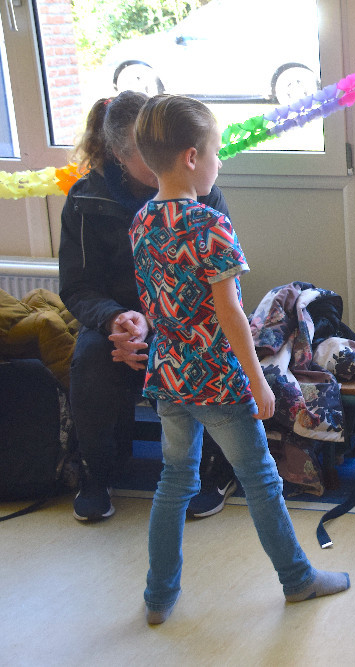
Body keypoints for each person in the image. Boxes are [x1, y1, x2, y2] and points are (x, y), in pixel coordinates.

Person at [130, 94, 349, 624]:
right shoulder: (208, 224)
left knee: (174, 480)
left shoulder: (141, 221)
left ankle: (158, 596)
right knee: (261, 480)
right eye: (215, 153)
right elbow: (229, 314)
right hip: (216, 379)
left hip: (168, 375)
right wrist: (259, 380)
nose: (219, 164)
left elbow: (158, 302)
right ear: (191, 157)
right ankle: (298, 580)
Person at [59, 92, 237, 522]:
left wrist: (155, 322)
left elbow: (218, 285)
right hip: (117, 323)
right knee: (91, 362)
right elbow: (78, 286)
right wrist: (115, 321)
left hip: (185, 318)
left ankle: (213, 469)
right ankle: (97, 473)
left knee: (202, 356)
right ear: (120, 155)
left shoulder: (202, 193)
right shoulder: (85, 199)